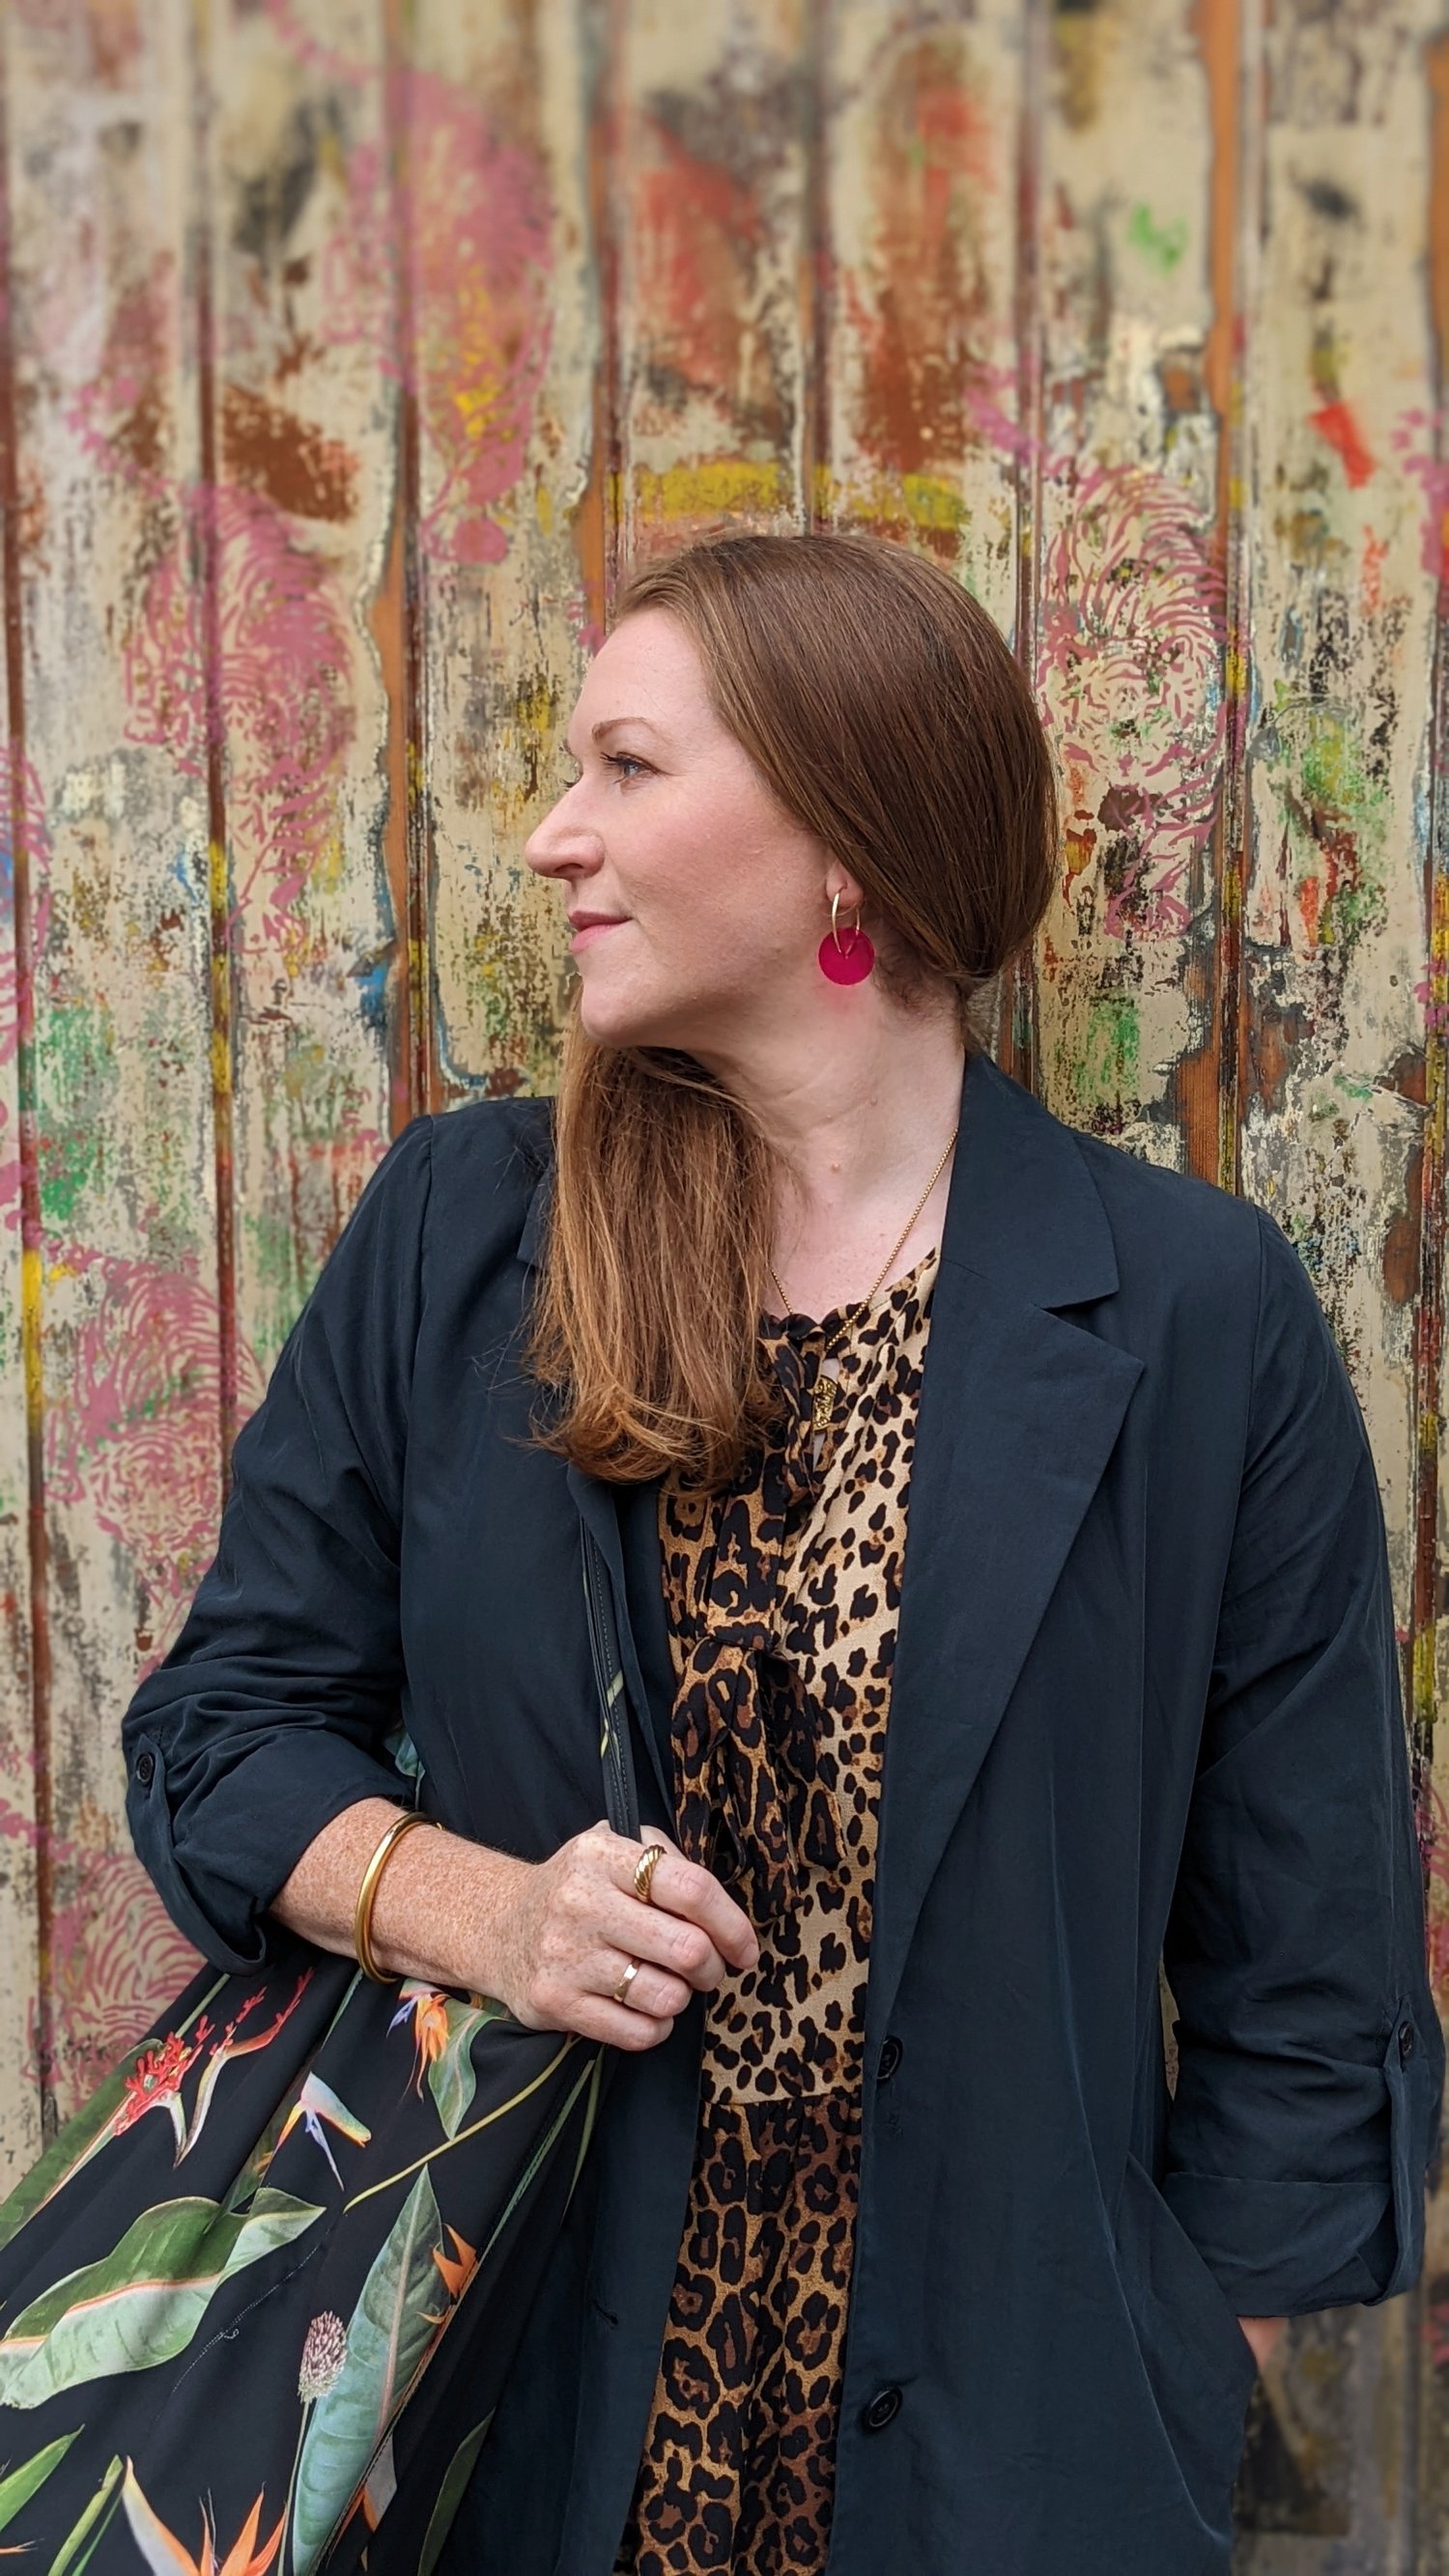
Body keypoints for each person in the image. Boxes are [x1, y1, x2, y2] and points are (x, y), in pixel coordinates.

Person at [124, 530, 1444, 2576]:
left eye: (629, 767)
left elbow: (1310, 1955)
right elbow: (220, 1731)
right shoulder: (468, 1234)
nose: (554, 835)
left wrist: (1174, 2383)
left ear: (845, 847)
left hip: (1005, 2463)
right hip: (522, 2429)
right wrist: (490, 1911)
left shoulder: (1195, 1309)